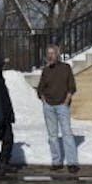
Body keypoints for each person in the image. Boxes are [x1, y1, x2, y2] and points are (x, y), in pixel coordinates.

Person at [36, 43, 79, 174]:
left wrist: (67, 100)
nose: (50, 56)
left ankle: (72, 163)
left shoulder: (66, 68)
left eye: (52, 53)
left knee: (67, 134)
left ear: (57, 54)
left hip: (62, 105)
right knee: (53, 136)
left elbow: (72, 86)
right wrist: (43, 100)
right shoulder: (45, 70)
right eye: (48, 54)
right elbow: (40, 89)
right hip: (49, 106)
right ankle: (56, 162)